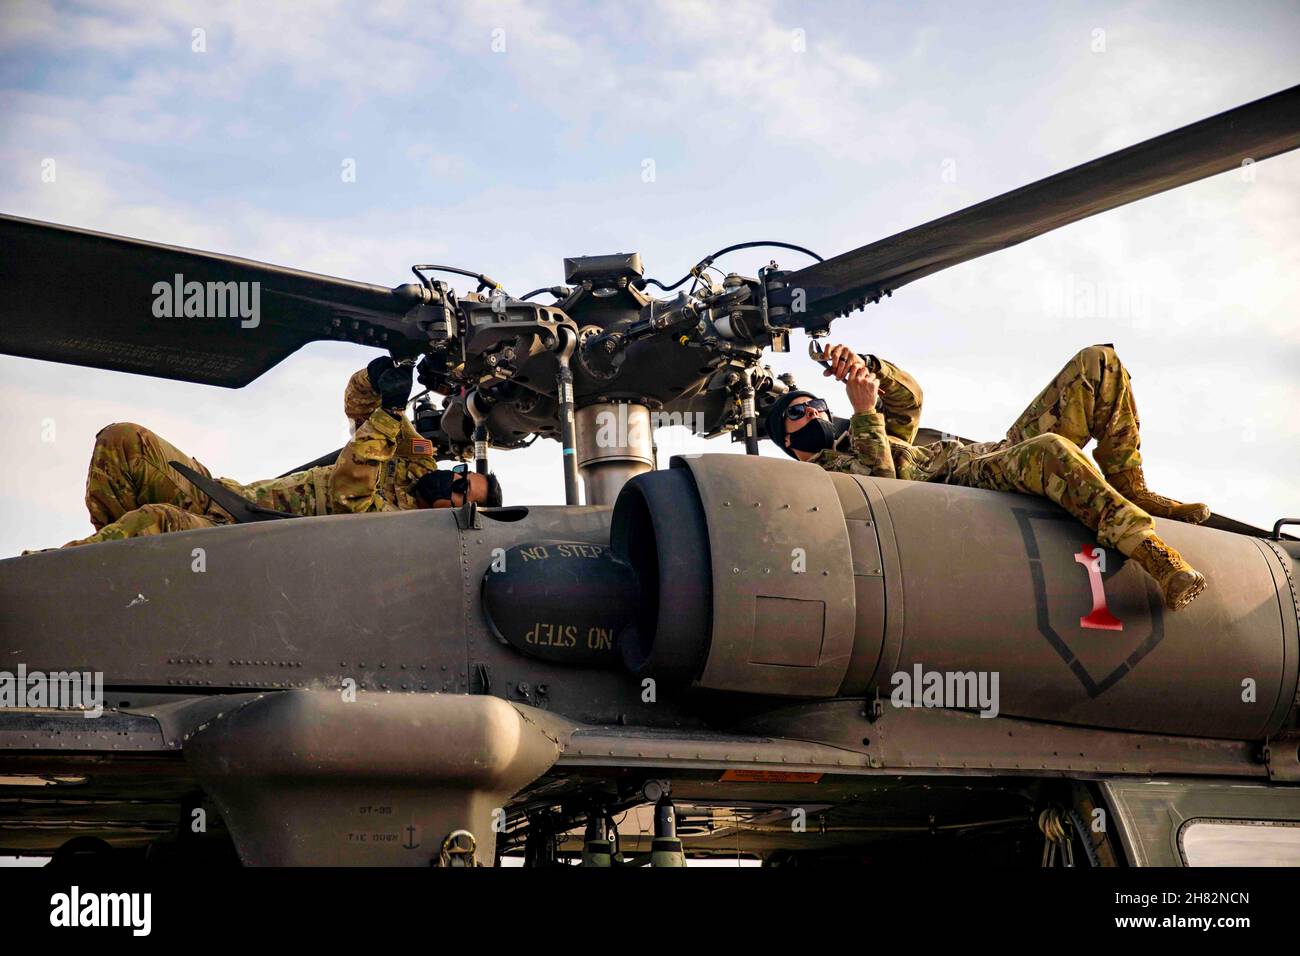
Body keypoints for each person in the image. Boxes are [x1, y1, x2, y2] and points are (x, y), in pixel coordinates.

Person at [765, 344, 1208, 611]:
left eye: (818, 403)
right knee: (1050, 452)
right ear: (787, 439)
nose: (816, 412)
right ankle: (1155, 556)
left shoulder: (869, 437)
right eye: (798, 412)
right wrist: (863, 413)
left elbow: (910, 401)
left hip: (986, 459)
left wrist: (867, 367)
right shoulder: (820, 482)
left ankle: (1131, 486)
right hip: (960, 491)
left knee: (1098, 363)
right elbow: (880, 488)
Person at [58, 357, 502, 548]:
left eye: (464, 491)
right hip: (228, 498)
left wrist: (389, 415)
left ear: (454, 513)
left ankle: (51, 577)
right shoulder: (416, 462)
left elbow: (351, 486)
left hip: (240, 539)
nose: (454, 479)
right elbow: (359, 406)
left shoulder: (398, 530)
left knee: (156, 522)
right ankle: (111, 567)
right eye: (463, 474)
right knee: (124, 440)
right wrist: (380, 376)